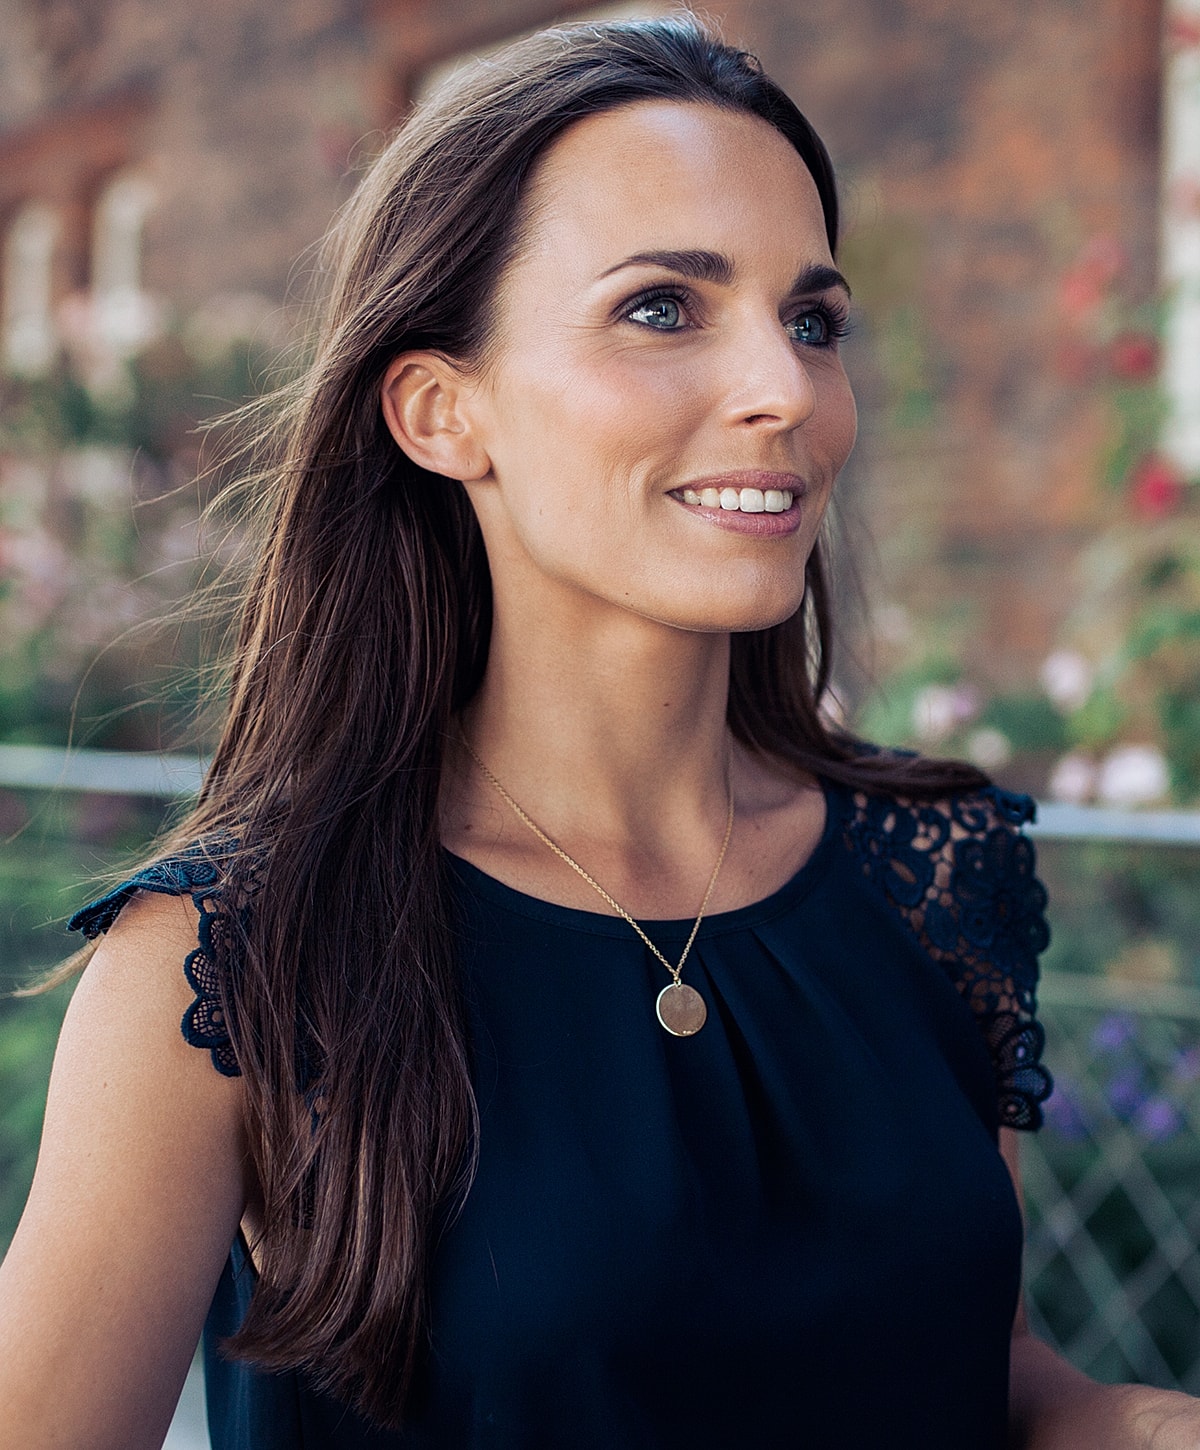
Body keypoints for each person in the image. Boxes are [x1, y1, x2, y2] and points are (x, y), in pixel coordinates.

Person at [1, 13, 1198, 1449]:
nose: (788, 389)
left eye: (812, 319)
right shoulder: (226, 961)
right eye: (662, 308)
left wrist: (1133, 1423)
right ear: (444, 410)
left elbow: (972, 1367)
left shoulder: (933, 874)